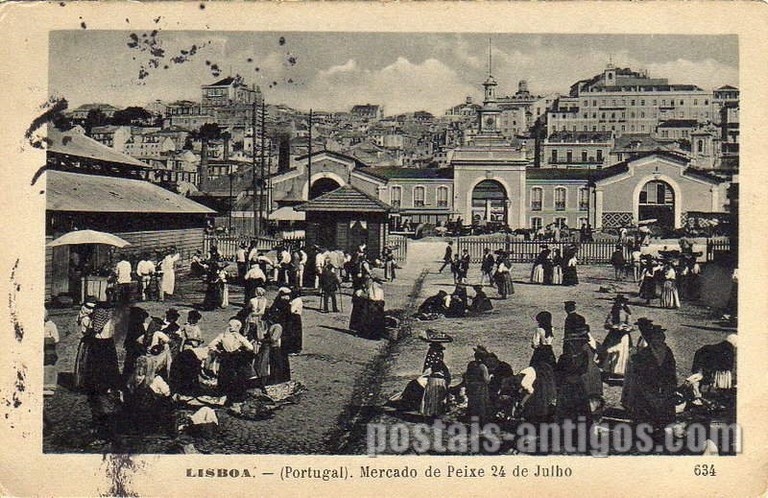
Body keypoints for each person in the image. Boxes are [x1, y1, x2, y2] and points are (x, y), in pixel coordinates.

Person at [621, 324, 677, 437]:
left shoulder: (667, 351)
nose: (659, 340)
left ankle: (661, 430)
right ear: (652, 339)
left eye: (661, 338)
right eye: (656, 338)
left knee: (663, 410)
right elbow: (638, 371)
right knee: (647, 410)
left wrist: (671, 384)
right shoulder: (645, 353)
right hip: (647, 387)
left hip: (663, 386)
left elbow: (671, 369)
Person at [81, 305, 122, 443]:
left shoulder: (100, 324)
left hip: (100, 352)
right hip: (107, 350)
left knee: (100, 394)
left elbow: (94, 331)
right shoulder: (109, 321)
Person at [208, 318, 255, 404]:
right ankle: (235, 397)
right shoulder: (238, 336)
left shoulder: (222, 335)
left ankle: (224, 396)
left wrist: (218, 351)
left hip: (226, 358)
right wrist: (241, 349)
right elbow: (250, 347)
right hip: (236, 358)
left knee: (225, 377)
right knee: (235, 377)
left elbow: (211, 345)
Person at [420, 343, 451, 418]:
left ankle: (430, 412)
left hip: (432, 379)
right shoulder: (440, 363)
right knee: (437, 396)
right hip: (437, 379)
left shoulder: (431, 362)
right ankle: (435, 412)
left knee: (431, 396)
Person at [73, 296, 97, 390]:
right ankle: (85, 381)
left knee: (82, 359)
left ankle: (82, 380)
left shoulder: (82, 316)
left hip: (85, 340)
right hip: (89, 340)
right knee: (87, 360)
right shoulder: (86, 318)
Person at [464, 350, 491, 424]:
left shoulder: (471, 364)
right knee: (481, 405)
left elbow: (467, 375)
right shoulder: (483, 366)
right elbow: (486, 380)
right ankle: (481, 421)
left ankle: (471, 419)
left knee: (472, 404)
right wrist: (491, 376)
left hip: (472, 386)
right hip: (480, 387)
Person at [43, 308, 60, 394]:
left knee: (49, 364)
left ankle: (49, 386)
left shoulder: (51, 325)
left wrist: (47, 340)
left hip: (48, 348)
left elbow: (56, 339)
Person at [284, 289, 304, 354]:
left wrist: (288, 304)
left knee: (293, 333)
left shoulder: (296, 301)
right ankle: (296, 348)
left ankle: (294, 349)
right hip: (297, 317)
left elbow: (292, 310)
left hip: (294, 317)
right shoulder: (298, 300)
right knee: (297, 333)